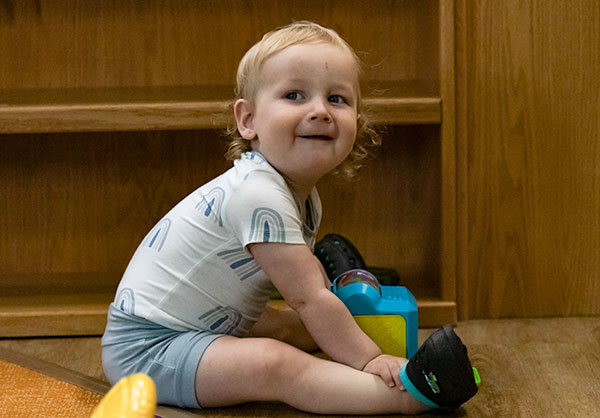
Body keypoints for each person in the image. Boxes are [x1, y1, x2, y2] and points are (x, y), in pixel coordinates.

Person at [102, 21, 476, 415]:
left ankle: (345, 374)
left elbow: (304, 280)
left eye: (337, 99)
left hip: (197, 328)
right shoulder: (258, 194)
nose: (319, 111)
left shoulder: (301, 195)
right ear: (248, 120)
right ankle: (402, 395)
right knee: (275, 362)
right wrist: (368, 360)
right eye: (294, 95)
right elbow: (308, 296)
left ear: (357, 124)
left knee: (298, 326)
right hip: (147, 354)